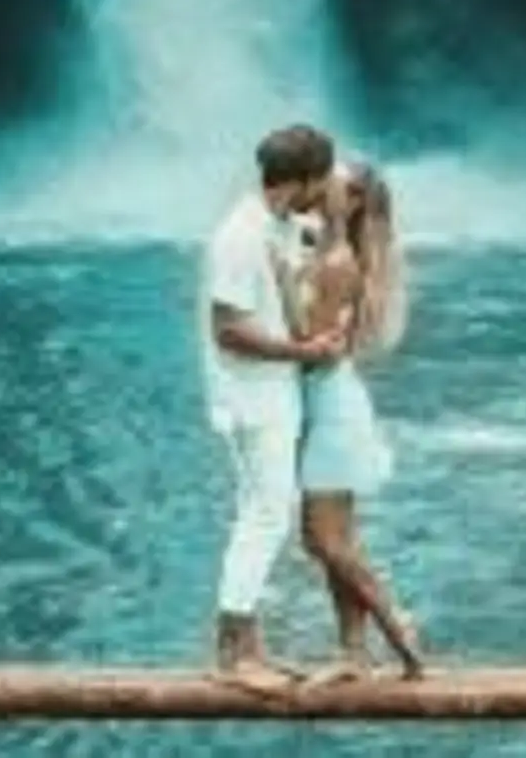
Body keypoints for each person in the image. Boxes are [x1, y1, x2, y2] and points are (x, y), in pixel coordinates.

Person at [202, 123, 347, 689]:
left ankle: (250, 647)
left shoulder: (278, 224)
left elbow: (325, 240)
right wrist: (302, 350)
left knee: (263, 511)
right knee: (264, 516)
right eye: (322, 178)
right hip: (251, 397)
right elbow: (228, 329)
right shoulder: (239, 236)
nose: (328, 187)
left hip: (271, 392)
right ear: (301, 179)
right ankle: (230, 654)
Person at [277, 160, 423, 681]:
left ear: (354, 199)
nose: (317, 187)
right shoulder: (335, 252)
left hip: (327, 407)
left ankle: (402, 634)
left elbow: (310, 347)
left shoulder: (337, 261)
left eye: (330, 183)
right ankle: (353, 653)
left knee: (325, 540)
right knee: (335, 538)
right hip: (330, 402)